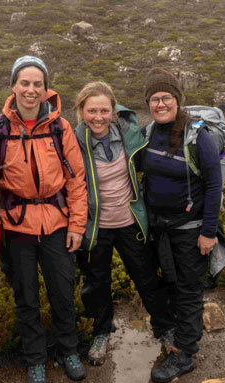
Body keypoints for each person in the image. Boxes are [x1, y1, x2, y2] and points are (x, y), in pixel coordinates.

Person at [0, 56, 88, 383]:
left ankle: (68, 350)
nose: (31, 90)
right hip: (16, 228)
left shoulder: (60, 127)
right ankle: (35, 360)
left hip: (57, 224)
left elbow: (76, 179)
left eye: (37, 84)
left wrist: (77, 225)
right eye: (24, 83)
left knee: (62, 291)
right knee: (25, 296)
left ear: (46, 89)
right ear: (13, 86)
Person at [73, 81, 171, 366]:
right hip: (95, 228)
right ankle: (102, 332)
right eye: (92, 111)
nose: (99, 117)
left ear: (113, 110)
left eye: (105, 110)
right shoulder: (73, 142)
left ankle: (165, 329)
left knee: (147, 278)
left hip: (130, 222)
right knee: (97, 283)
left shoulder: (130, 135)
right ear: (81, 110)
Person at [141, 68, 223, 383]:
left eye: (166, 97)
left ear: (177, 100)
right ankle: (176, 337)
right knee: (169, 285)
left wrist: (209, 232)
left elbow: (214, 186)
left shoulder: (197, 136)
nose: (160, 104)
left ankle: (186, 355)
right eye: (154, 99)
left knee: (189, 291)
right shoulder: (148, 133)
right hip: (158, 228)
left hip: (191, 230)